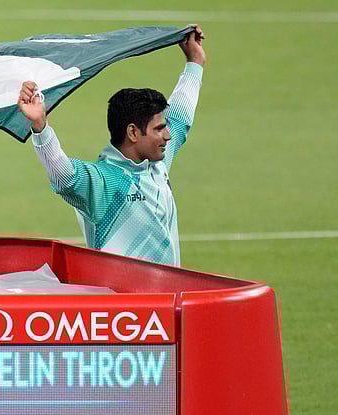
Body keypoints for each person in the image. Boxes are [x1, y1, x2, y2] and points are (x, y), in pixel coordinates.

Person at [17, 25, 207, 266]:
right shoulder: (103, 182)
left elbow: (181, 116)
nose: (168, 135)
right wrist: (41, 127)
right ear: (133, 133)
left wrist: (195, 63)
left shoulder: (156, 162)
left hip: (165, 300)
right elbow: (64, 175)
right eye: (160, 129)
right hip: (121, 302)